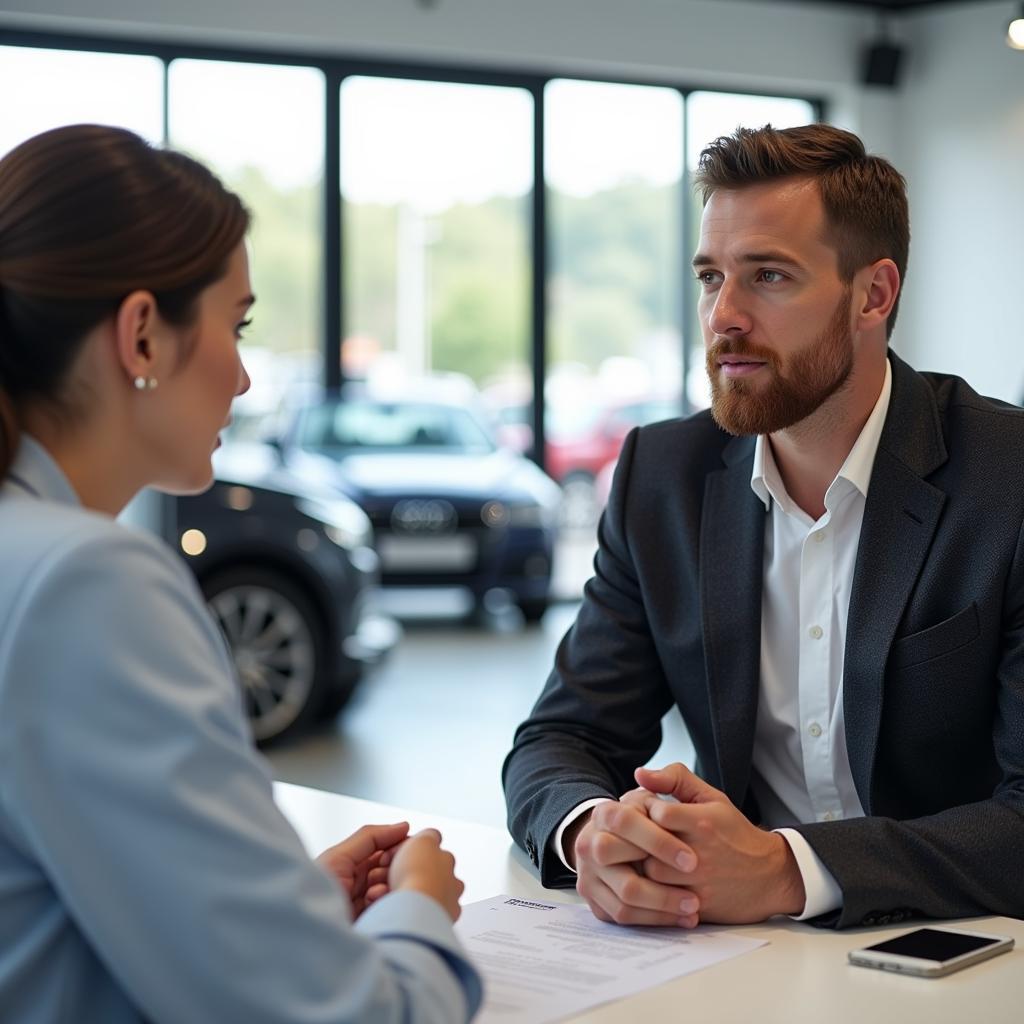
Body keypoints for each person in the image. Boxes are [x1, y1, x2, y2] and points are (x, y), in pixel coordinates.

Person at [0, 124, 481, 1023]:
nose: (247, 377)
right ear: (142, 336)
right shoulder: (85, 584)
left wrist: (276, 909)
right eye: (237, 322)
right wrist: (419, 912)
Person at [503, 123, 1024, 931]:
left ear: (873, 295)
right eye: (711, 276)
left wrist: (790, 871)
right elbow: (562, 738)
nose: (725, 317)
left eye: (769, 276)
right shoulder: (662, 478)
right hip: (741, 954)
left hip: (964, 952)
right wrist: (590, 831)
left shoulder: (1008, 479)